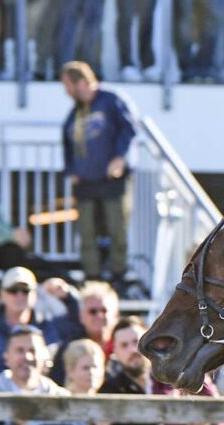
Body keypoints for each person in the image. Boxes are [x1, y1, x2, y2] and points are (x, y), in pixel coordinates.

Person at [60, 62, 138, 285]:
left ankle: (118, 276)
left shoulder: (110, 99)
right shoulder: (75, 112)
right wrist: (70, 170)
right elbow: (67, 143)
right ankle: (92, 276)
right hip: (85, 181)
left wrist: (120, 157)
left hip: (112, 179)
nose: (66, 91)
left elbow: (130, 127)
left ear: (81, 82)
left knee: (117, 228)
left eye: (68, 85)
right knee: (86, 232)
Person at [0, 267, 73, 386]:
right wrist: (18, 379)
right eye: (13, 290)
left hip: (41, 396)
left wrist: (69, 297)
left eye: (26, 290)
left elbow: (80, 323)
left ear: (35, 294)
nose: (20, 295)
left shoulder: (47, 325)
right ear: (3, 294)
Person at [77, 280, 119, 353]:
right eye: (92, 311)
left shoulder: (131, 345)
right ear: (81, 316)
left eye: (104, 310)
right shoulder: (69, 349)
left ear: (116, 315)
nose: (99, 315)